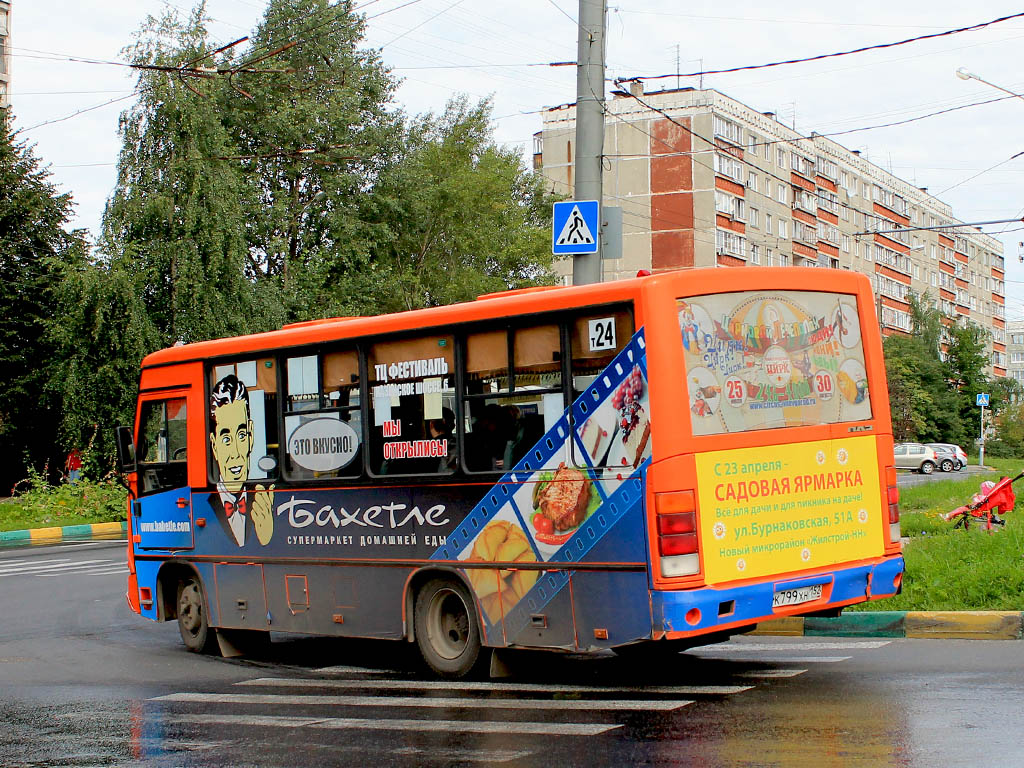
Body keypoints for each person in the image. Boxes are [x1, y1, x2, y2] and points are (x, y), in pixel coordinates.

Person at [208, 374, 275, 547]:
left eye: (241, 435)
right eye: (226, 439)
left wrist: (267, 540)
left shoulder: (263, 500)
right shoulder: (206, 503)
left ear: (251, 436)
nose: (236, 453)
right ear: (214, 445)